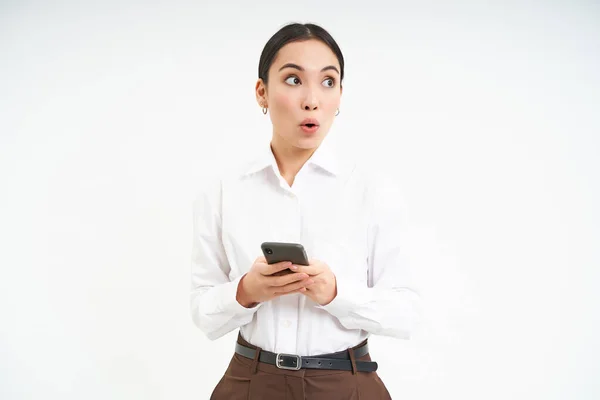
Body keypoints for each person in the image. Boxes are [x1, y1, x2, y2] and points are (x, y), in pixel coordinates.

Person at [190, 22, 421, 399]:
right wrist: (247, 291)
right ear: (261, 92)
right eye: (294, 80)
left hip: (345, 383)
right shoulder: (223, 190)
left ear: (340, 95)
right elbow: (202, 310)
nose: (312, 99)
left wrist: (335, 293)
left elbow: (406, 313)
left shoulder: (372, 190)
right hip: (250, 382)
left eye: (328, 82)